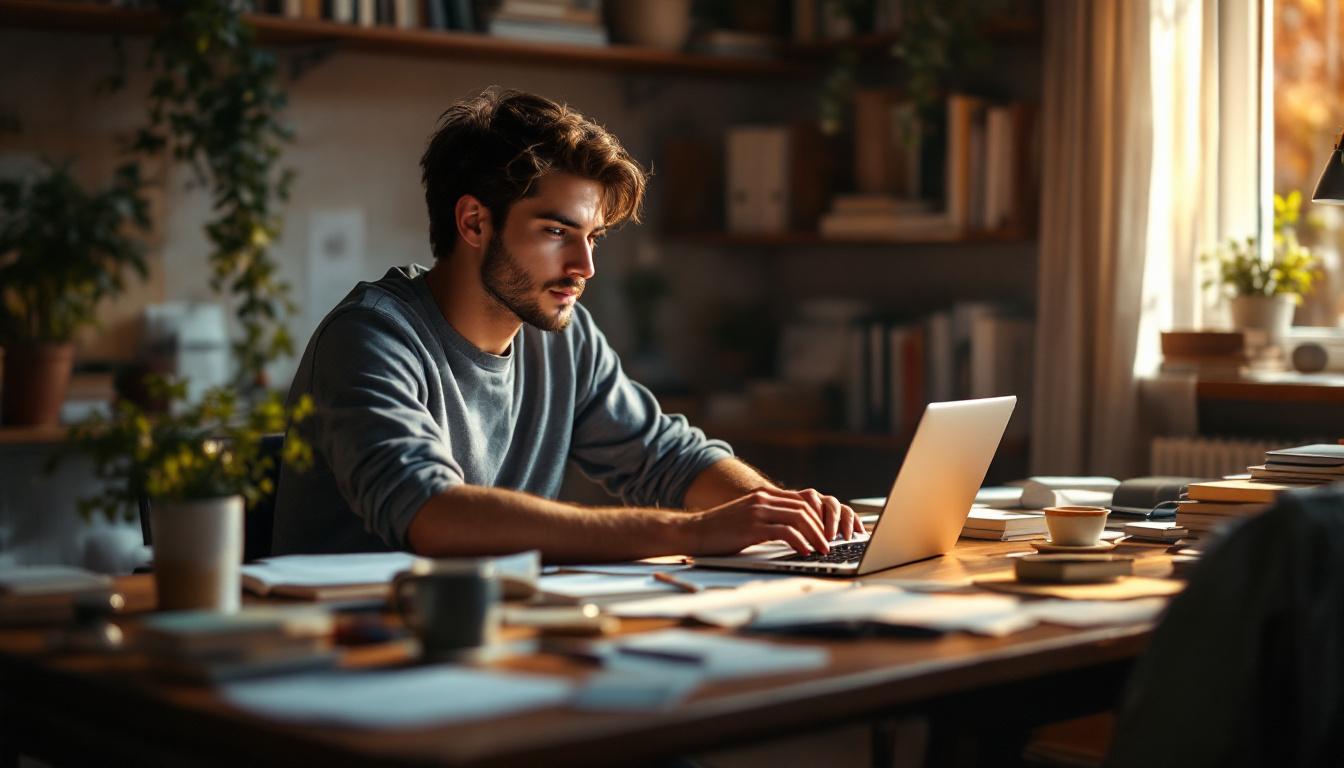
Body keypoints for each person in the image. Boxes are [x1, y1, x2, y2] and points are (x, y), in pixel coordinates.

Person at [272, 87, 863, 562]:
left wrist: (780, 511)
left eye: (593, 237)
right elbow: (435, 515)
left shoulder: (562, 335)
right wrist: (691, 533)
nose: (584, 267)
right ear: (475, 223)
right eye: (557, 232)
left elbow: (667, 456)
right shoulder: (372, 338)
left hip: (496, 640)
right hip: (356, 659)